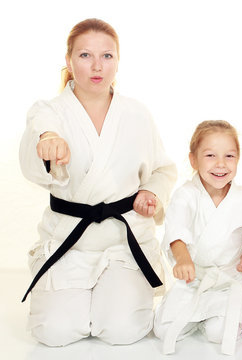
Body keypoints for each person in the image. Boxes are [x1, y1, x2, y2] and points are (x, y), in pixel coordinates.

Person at [19, 18, 177, 346]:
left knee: (123, 330)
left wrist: (150, 193)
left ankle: (113, 297)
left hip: (123, 241)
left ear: (118, 61)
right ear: (68, 60)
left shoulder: (136, 114)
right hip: (69, 241)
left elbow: (163, 170)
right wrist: (48, 144)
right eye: (85, 55)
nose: (97, 66)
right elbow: (40, 137)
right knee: (53, 332)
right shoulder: (50, 112)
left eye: (107, 56)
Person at [153, 120, 242, 355]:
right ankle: (201, 312)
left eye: (229, 156)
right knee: (164, 329)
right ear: (193, 160)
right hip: (194, 277)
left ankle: (213, 315)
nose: (220, 164)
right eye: (210, 155)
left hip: (231, 278)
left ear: (238, 159)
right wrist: (183, 259)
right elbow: (176, 232)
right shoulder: (185, 195)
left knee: (219, 332)